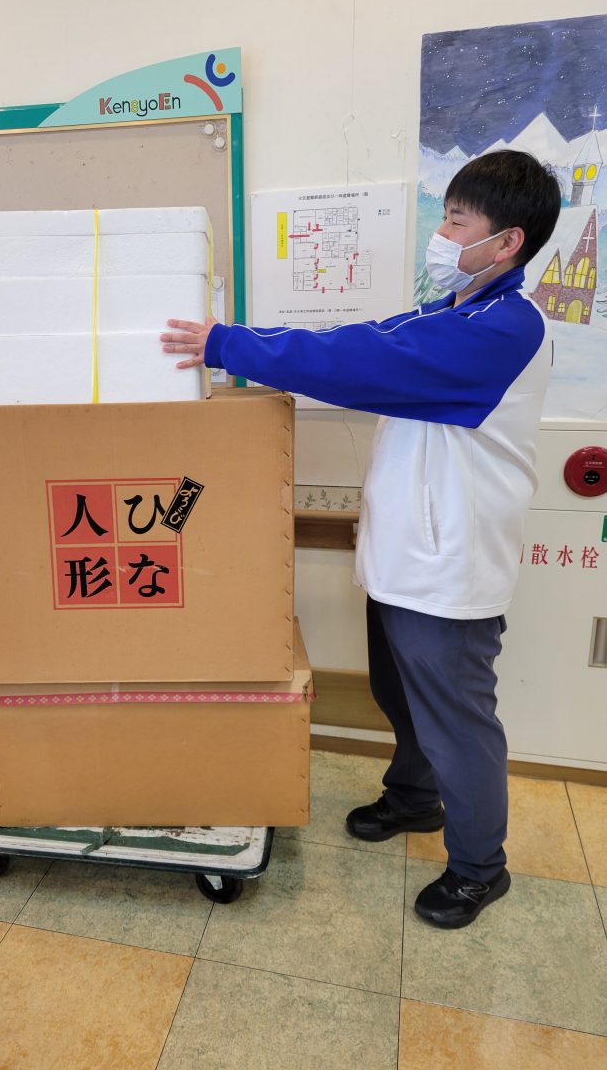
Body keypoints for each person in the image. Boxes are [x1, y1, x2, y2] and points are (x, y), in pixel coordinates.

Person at [161, 150, 562, 929]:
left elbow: (358, 362)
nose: (441, 233)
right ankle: (413, 799)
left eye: (456, 221)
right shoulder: (450, 311)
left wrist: (227, 344)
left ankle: (480, 869)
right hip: (403, 554)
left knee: (457, 722)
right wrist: (243, 343)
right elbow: (359, 337)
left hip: (449, 569)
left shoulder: (507, 326)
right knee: (400, 696)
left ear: (507, 241)